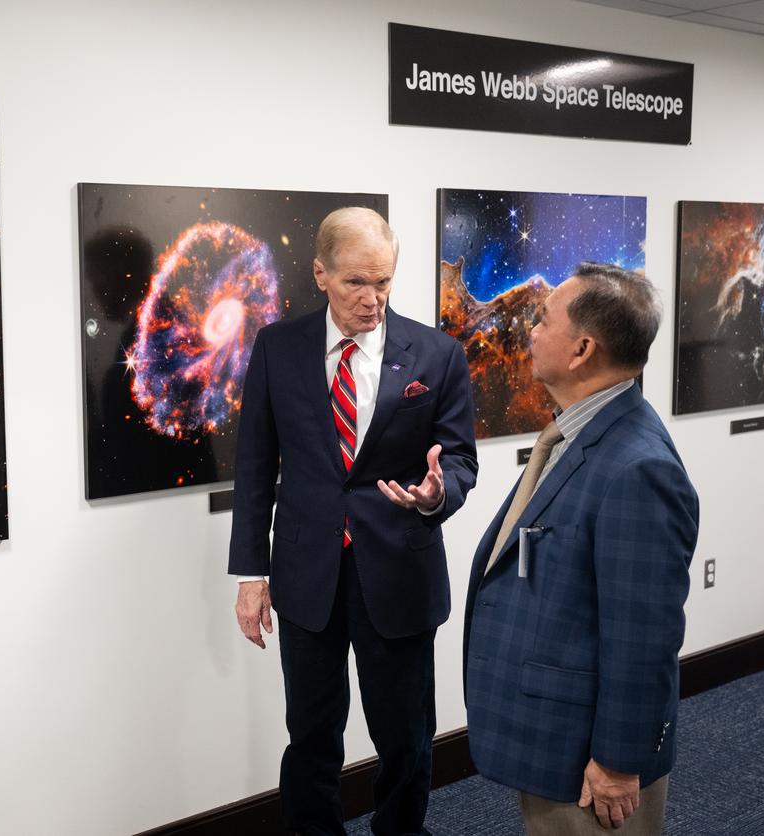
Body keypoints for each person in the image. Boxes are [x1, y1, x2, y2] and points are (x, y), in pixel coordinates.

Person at [229, 207, 478, 836]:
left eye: (385, 283)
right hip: (306, 572)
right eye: (355, 284)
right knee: (310, 731)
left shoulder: (437, 354)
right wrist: (251, 574)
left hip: (398, 569)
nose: (372, 300)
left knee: (406, 734)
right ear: (320, 274)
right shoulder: (278, 348)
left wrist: (435, 495)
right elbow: (256, 467)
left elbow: (461, 463)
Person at [463, 263, 699, 834]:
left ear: (582, 350)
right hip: (555, 733)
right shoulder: (582, 432)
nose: (530, 333)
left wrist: (618, 763)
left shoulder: (638, 468)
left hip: (591, 761)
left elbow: (645, 634)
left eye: (543, 321)